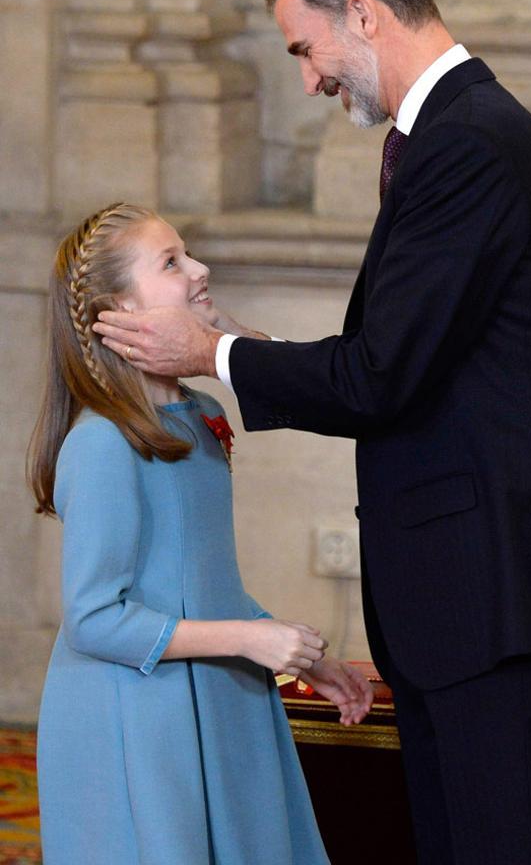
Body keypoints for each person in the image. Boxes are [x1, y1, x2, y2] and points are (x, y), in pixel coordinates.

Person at [93, 0, 531, 865]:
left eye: (306, 48)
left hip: (502, 615)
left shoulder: (469, 143)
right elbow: (405, 356)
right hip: (475, 615)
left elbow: (378, 375)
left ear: (363, 13)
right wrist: (240, 348)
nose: (308, 78)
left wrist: (207, 352)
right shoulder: (454, 137)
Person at [28, 202, 373, 865]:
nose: (199, 269)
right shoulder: (101, 444)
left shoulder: (203, 415)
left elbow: (202, 583)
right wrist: (250, 639)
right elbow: (94, 619)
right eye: (171, 262)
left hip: (214, 697)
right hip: (135, 721)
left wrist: (302, 655)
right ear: (118, 312)